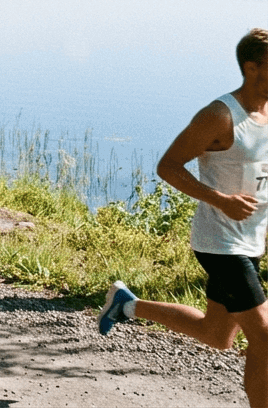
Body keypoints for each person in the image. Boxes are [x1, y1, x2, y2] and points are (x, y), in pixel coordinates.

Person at [100, 29, 268, 407]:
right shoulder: (221, 116)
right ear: (252, 67)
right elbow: (168, 166)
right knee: (265, 337)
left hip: (252, 240)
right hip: (220, 242)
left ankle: (126, 304)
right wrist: (220, 199)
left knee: (217, 334)